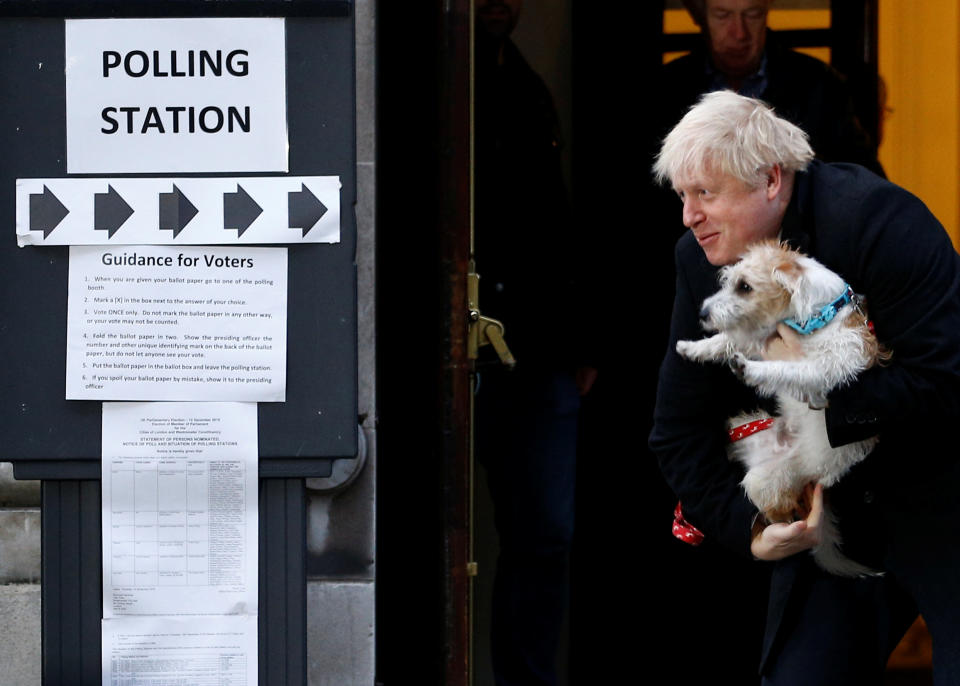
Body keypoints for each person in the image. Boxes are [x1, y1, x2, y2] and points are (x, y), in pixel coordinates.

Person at [649, 90, 960, 685]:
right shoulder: (698, 259)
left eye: (705, 194)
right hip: (834, 511)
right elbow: (676, 430)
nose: (689, 216)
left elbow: (943, 381)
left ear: (770, 180)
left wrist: (813, 384)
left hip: (943, 481)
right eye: (683, 196)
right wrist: (753, 527)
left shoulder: (881, 220)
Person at [473, 2, 597, 685]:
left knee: (546, 534)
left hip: (537, 349)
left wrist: (578, 338)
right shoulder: (450, 78)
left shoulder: (523, 81)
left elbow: (553, 221)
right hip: (458, 344)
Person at [657, 0, 883, 176]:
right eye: (723, 15)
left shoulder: (819, 85)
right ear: (700, 14)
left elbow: (861, 179)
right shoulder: (665, 89)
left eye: (753, 14)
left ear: (767, 9)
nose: (739, 33)